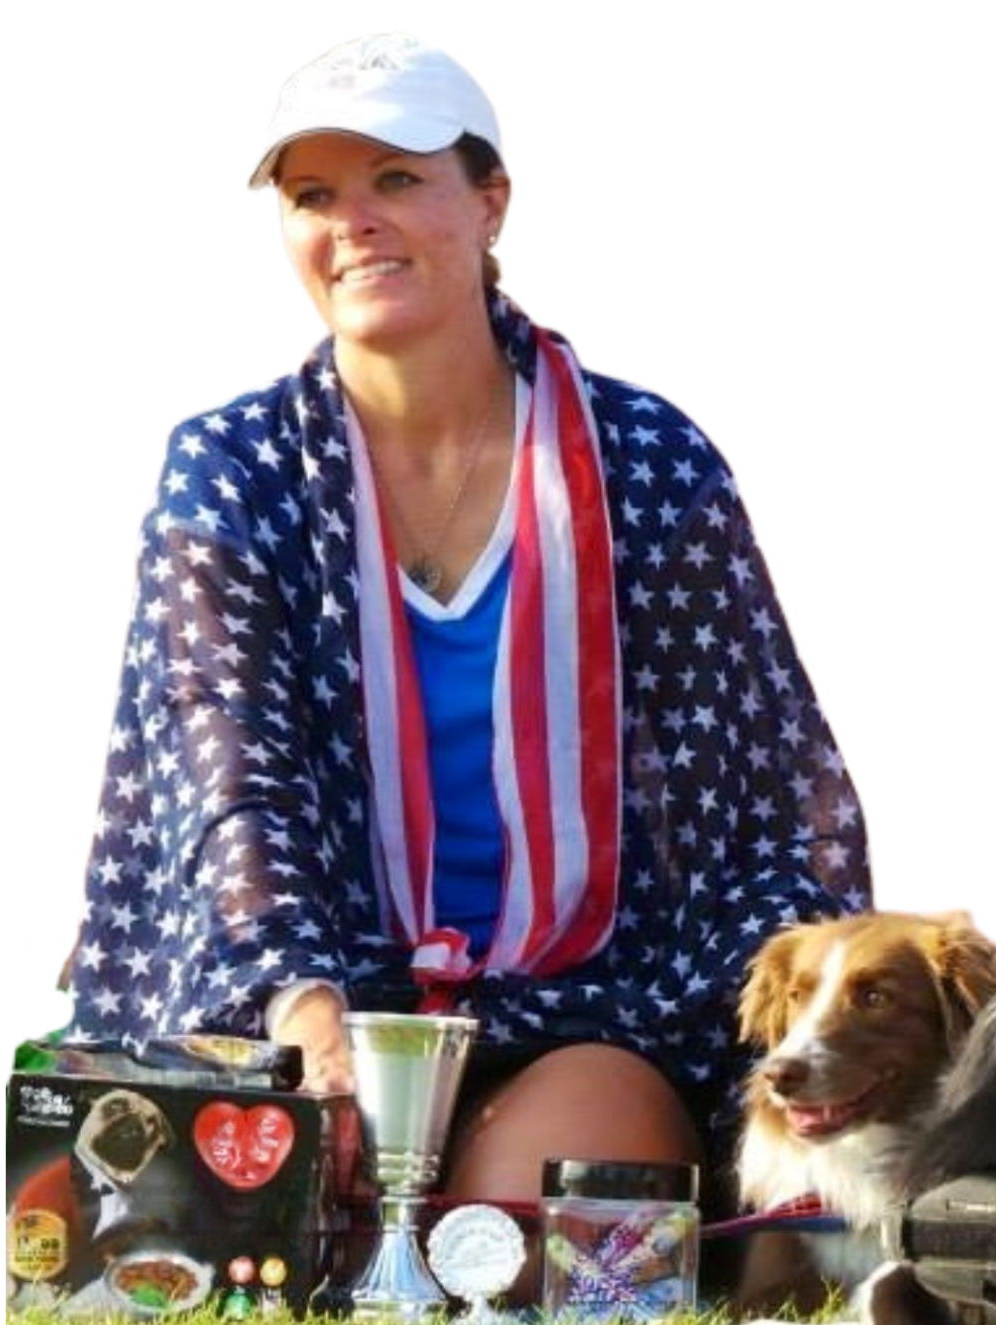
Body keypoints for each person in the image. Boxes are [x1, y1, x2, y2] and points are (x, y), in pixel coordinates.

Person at [58, 29, 874, 1288]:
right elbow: (226, 782)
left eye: (396, 178)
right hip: (307, 998)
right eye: (312, 194)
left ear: (492, 198)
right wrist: (308, 1021)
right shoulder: (225, 468)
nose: (353, 224)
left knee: (539, 1250)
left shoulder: (651, 458)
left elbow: (765, 792)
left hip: (598, 998)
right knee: (258, 1238)